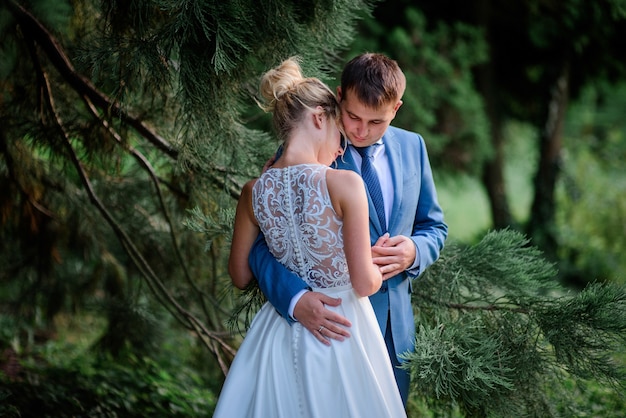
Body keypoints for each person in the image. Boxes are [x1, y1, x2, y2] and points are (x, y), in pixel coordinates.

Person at [249, 52, 448, 406]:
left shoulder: (413, 147)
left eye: (377, 122)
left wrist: (415, 250)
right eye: (353, 116)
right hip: (325, 324)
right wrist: (294, 297)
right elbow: (262, 241)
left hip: (392, 328)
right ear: (339, 97)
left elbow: (434, 225)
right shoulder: (307, 148)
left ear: (396, 109)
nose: (360, 130)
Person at [213, 57, 406, 417]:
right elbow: (363, 283)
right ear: (320, 117)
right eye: (339, 137)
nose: (340, 150)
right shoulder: (345, 183)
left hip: (276, 335)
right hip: (343, 327)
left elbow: (239, 275)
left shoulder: (253, 191)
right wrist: (380, 264)